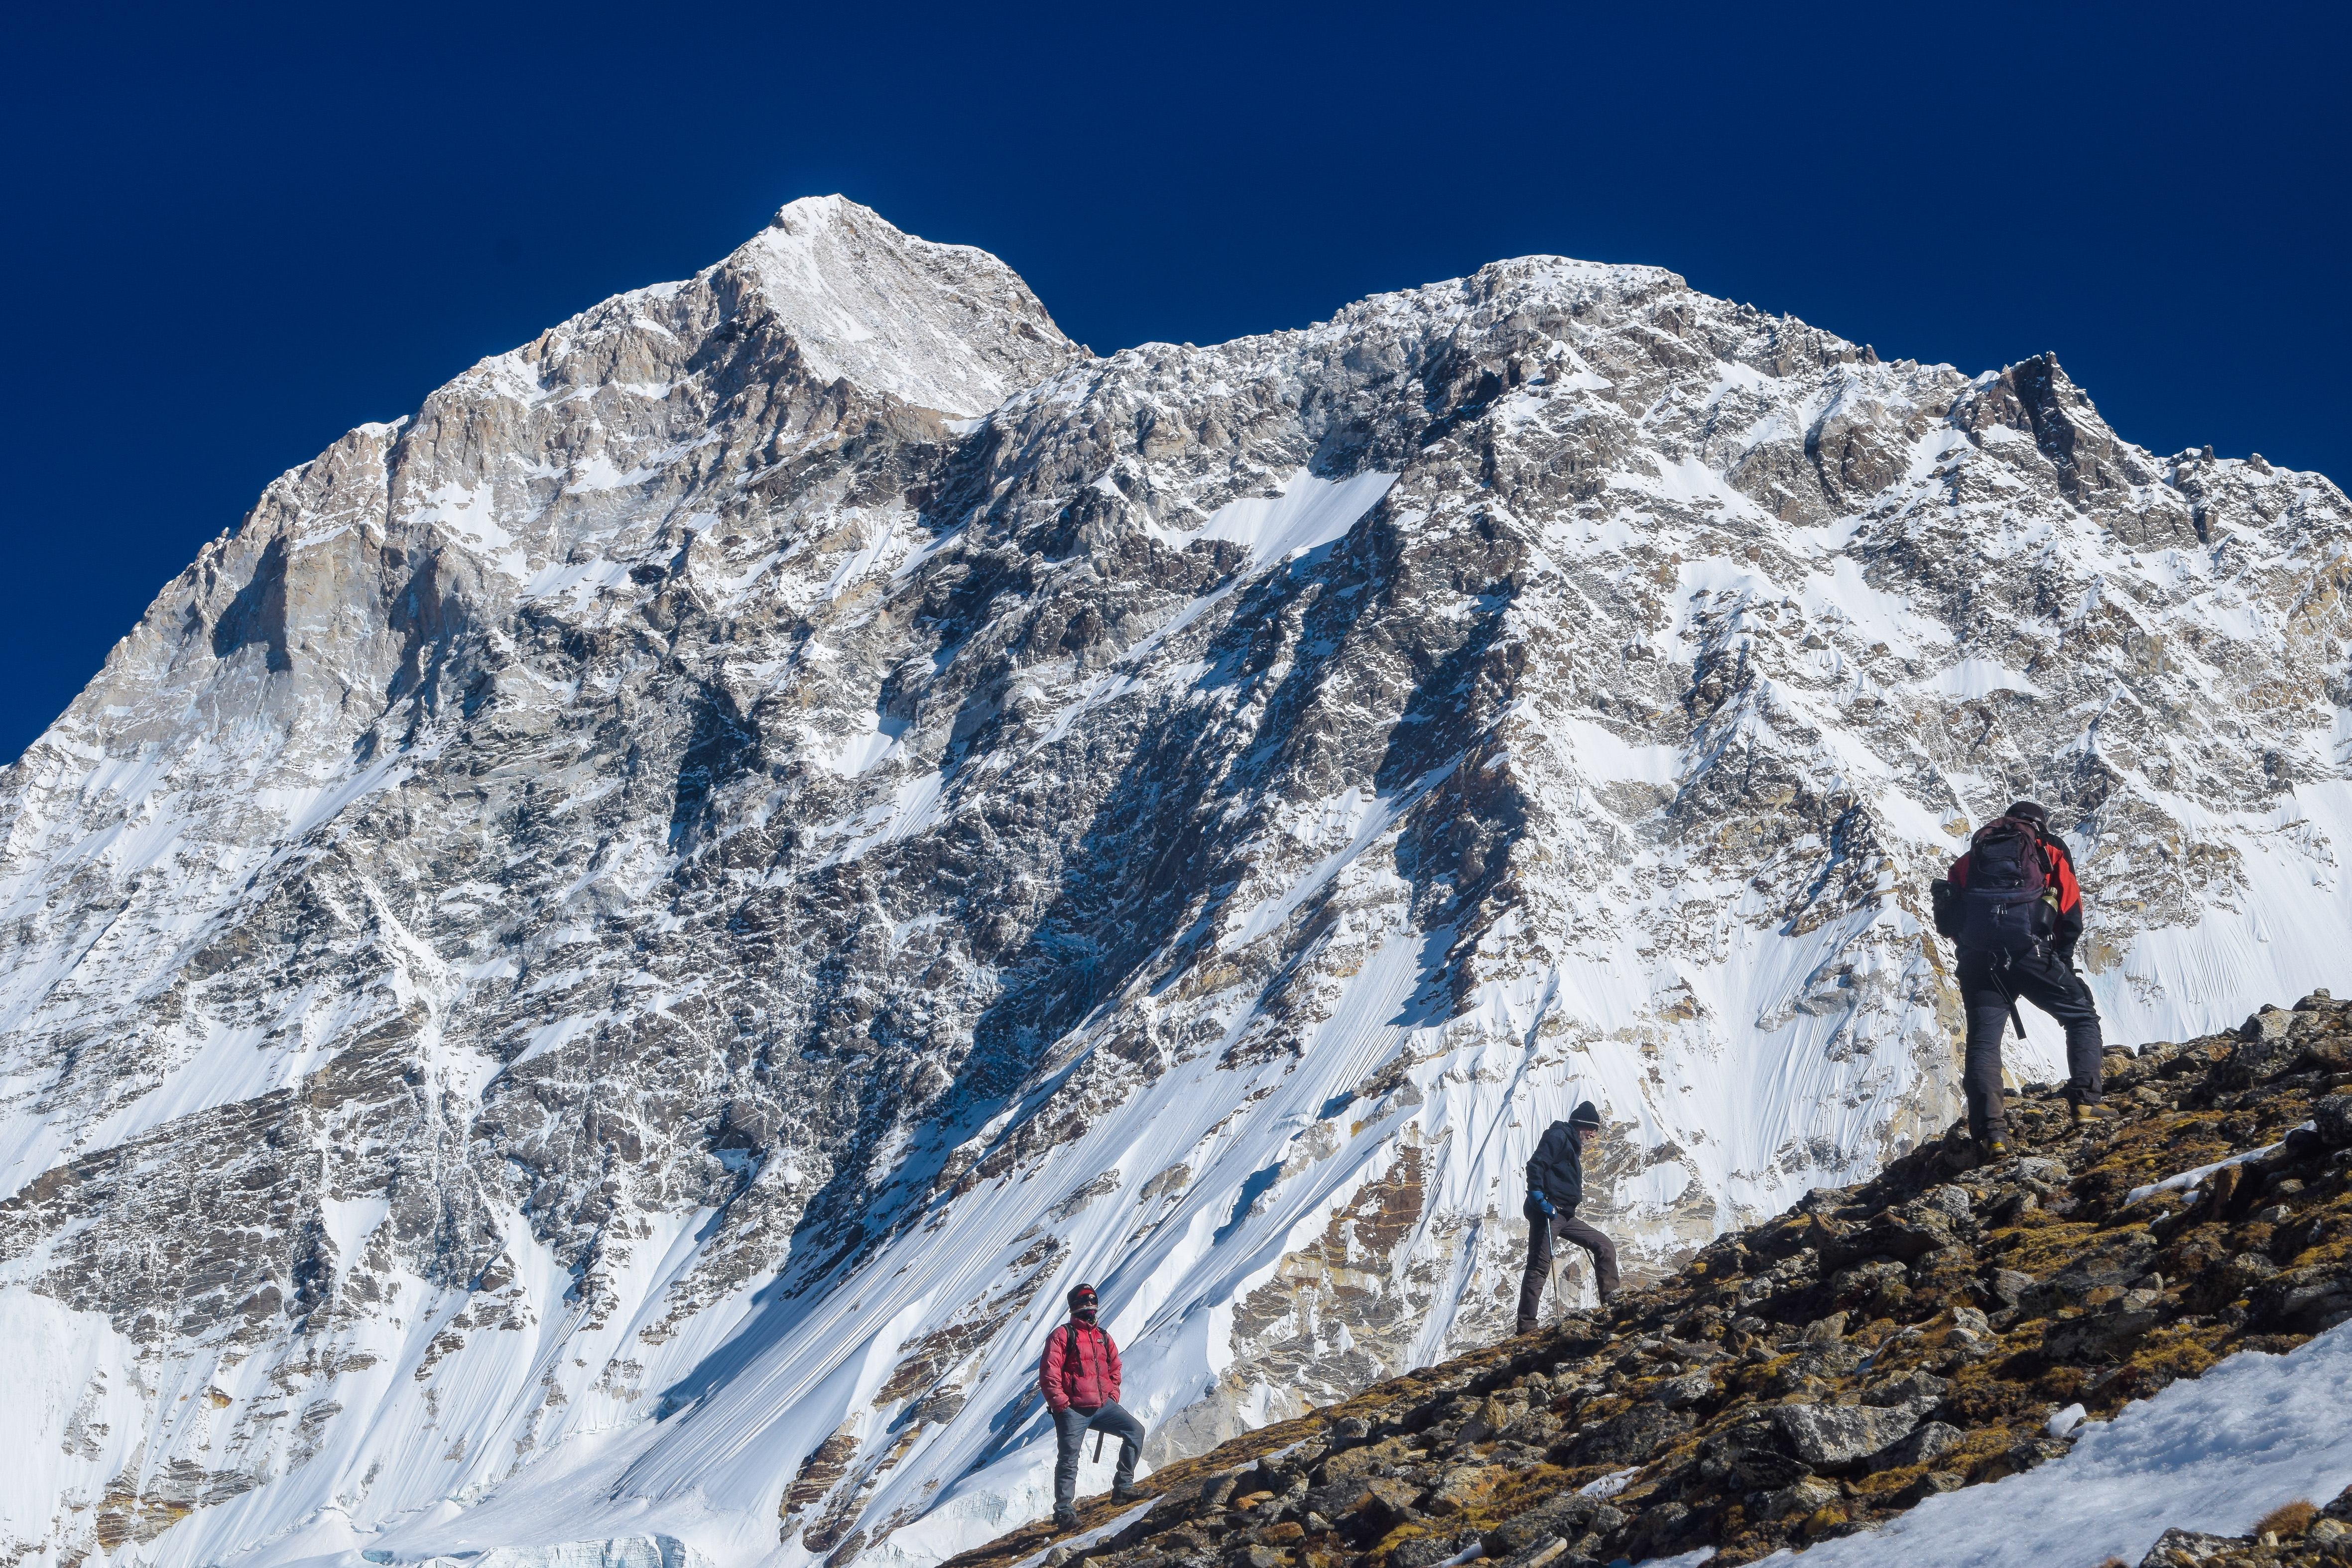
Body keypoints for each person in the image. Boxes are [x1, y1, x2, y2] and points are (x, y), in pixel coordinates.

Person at [1944, 799, 2105, 1160]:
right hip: (2031, 954)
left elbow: (1953, 914)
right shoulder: (2048, 850)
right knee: (2080, 1016)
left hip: (1979, 963)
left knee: (1983, 1045)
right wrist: (2062, 959)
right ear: (2038, 825)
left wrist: (1974, 950)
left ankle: (1992, 1136)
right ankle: (2086, 1102)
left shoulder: (1972, 858)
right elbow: (2070, 909)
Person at [1038, 1283, 1145, 1530]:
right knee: (1069, 1460)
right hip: (1073, 1410)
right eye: (1084, 1301)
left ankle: (1123, 1488)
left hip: (1102, 1405)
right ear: (1074, 1306)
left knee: (1135, 1432)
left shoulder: (1103, 1336)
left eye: (1092, 1301)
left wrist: (1112, 1394)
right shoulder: (1063, 1335)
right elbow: (1049, 1373)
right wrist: (1061, 1404)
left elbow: (1115, 1367)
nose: (1089, 1306)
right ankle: (1064, 1512)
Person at [1516, 1100, 1618, 1334]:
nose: (1593, 1135)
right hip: (1549, 1212)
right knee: (1539, 1266)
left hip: (1564, 1214)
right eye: (1592, 1129)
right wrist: (1537, 1196)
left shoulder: (1571, 1143)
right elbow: (1536, 1164)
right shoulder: (1559, 1136)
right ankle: (1527, 1327)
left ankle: (1613, 1305)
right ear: (1581, 1125)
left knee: (1604, 1246)